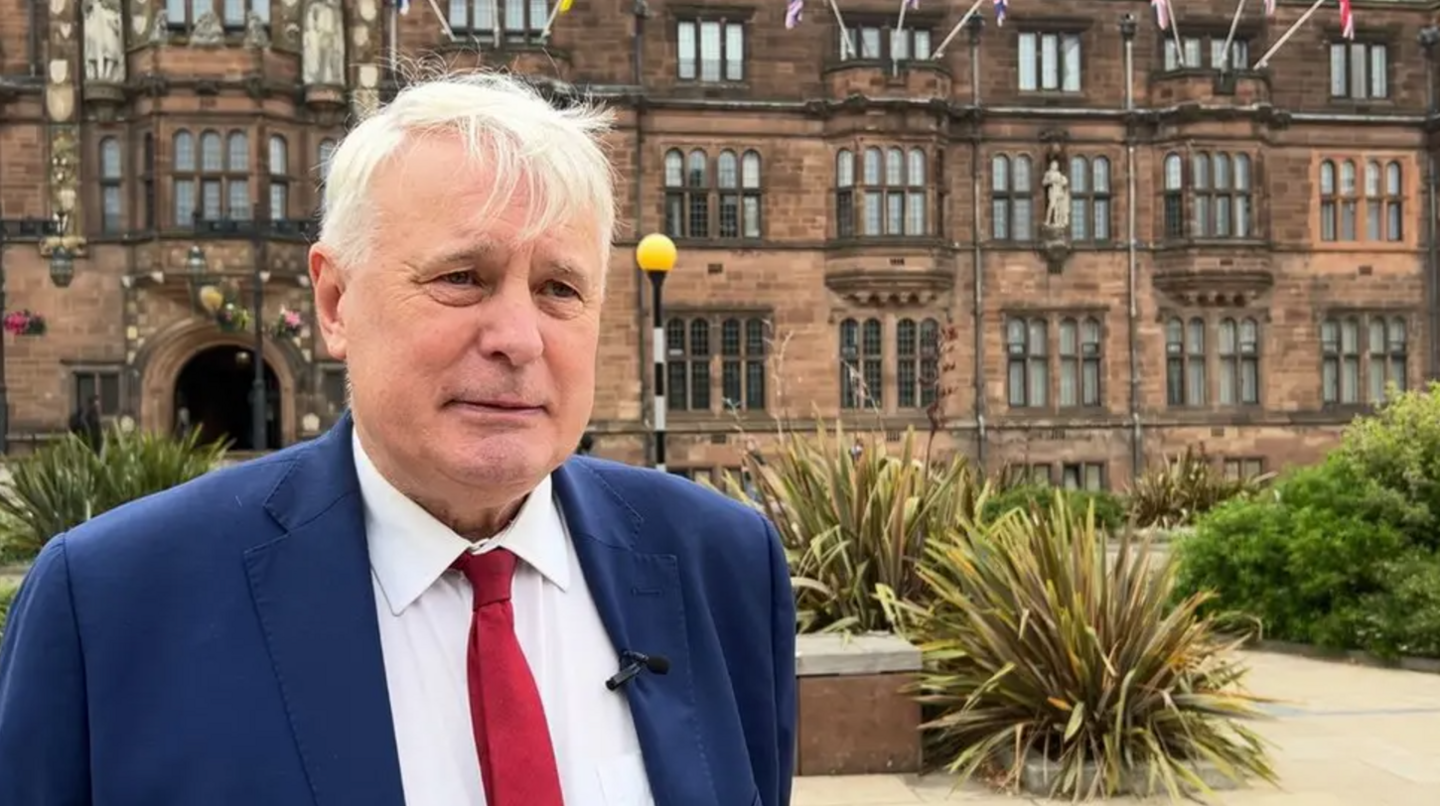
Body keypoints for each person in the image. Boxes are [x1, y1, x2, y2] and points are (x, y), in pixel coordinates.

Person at [0, 70, 796, 806]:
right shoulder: (109, 603)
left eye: (559, 288)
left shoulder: (724, 565)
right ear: (337, 300)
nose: (518, 337)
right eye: (462, 278)